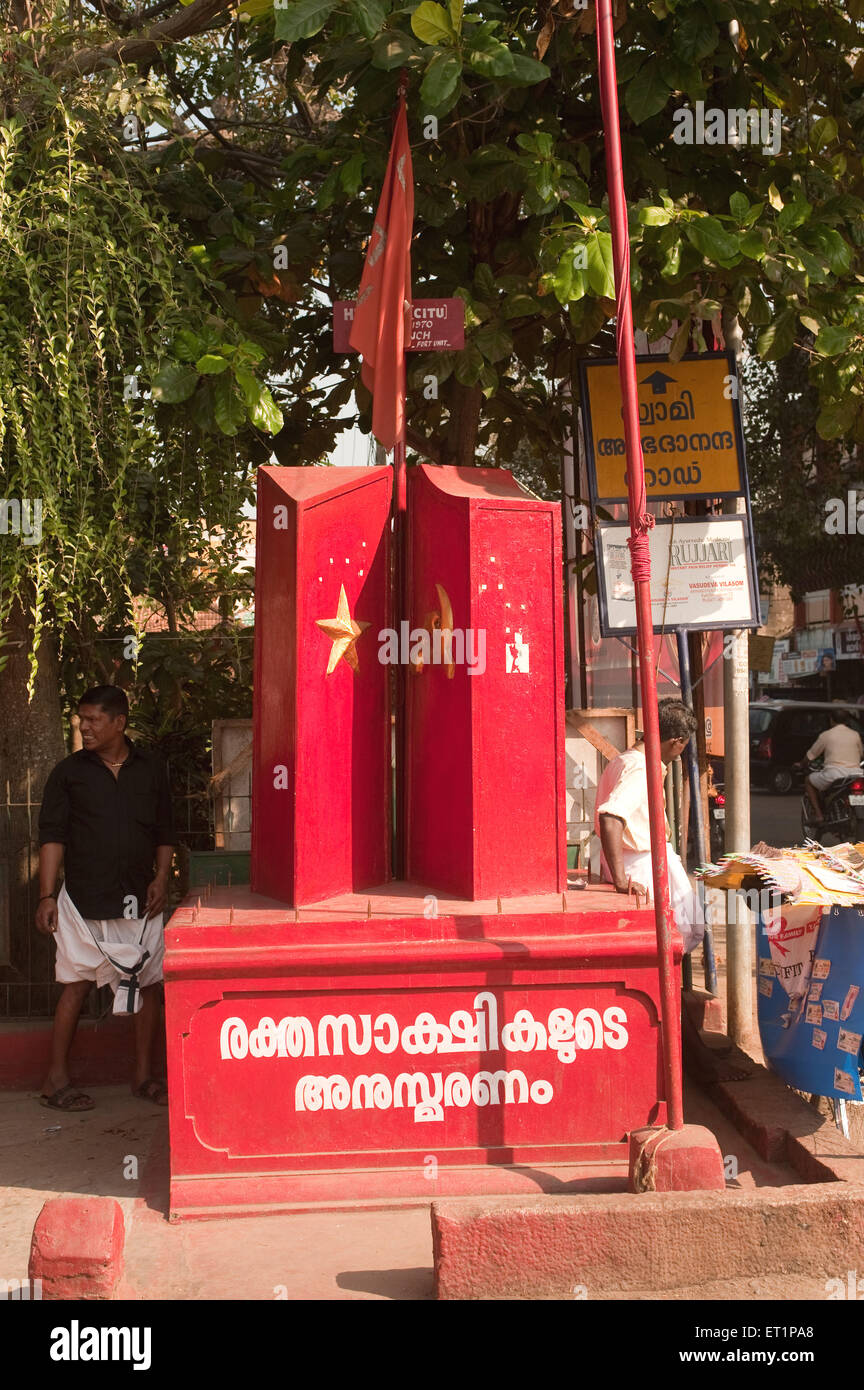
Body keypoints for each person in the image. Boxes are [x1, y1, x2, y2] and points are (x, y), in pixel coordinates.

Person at [35, 686, 176, 1111]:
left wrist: (164, 878)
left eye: (94, 720)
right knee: (76, 987)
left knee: (149, 986)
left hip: (139, 900)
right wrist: (46, 895)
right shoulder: (68, 772)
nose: (85, 727)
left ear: (119, 722)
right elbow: (52, 837)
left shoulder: (150, 769)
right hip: (83, 901)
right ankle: (54, 1081)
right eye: (81, 720)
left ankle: (143, 1078)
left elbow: (165, 832)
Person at [595, 698, 704, 955]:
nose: (681, 753)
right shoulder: (640, 767)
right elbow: (611, 816)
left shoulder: (625, 760)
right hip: (640, 863)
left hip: (639, 859)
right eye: (683, 746)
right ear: (676, 741)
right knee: (674, 934)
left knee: (685, 928)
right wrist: (622, 880)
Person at [797, 710, 863, 823]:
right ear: (847, 721)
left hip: (834, 775)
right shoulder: (855, 734)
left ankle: (819, 815)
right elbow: (861, 753)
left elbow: (811, 755)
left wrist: (801, 764)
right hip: (855, 774)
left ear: (831, 720)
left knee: (808, 780)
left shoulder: (826, 735)